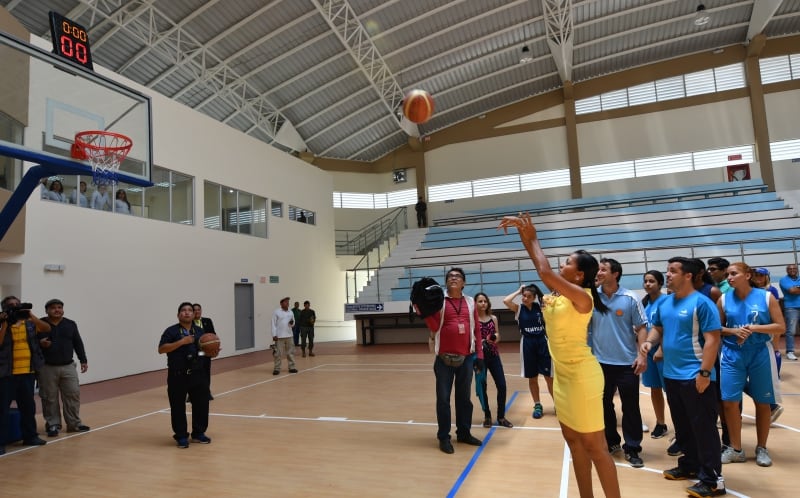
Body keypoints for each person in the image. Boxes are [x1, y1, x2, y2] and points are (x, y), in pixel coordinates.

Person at [499, 213, 620, 498]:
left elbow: (544, 272)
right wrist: (523, 234)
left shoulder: (583, 297)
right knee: (574, 443)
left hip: (582, 378)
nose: (561, 265)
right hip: (563, 378)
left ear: (579, 275)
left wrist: (533, 237)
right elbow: (541, 268)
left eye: (567, 262)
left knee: (596, 447)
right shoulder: (560, 293)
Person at [641, 257, 724, 498]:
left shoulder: (702, 303)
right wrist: (649, 342)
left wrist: (705, 373)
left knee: (704, 428)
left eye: (673, 271)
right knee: (684, 426)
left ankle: (713, 481)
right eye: (667, 270)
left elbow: (713, 340)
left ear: (688, 275)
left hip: (695, 375)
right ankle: (690, 465)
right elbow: (658, 328)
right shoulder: (666, 302)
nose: (668, 275)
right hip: (671, 375)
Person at [717, 262, 784, 468]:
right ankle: (736, 449)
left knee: (762, 402)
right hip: (731, 354)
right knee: (729, 402)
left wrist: (754, 328)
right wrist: (733, 331)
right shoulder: (724, 299)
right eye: (727, 275)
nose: (729, 278)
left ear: (747, 275)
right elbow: (716, 328)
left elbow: (780, 326)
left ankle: (761, 447)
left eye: (734, 273)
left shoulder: (766, 297)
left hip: (759, 353)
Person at [589, 258, 648, 468]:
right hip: (599, 363)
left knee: (630, 407)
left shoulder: (630, 298)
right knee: (604, 405)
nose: (599, 272)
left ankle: (632, 448)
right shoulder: (591, 297)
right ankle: (612, 441)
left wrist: (642, 356)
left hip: (626, 364)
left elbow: (642, 327)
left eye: (603, 269)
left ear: (615, 274)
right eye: (598, 269)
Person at [420, 267, 484, 454]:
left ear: (464, 282)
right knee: (443, 399)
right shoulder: (439, 301)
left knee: (464, 399)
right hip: (443, 360)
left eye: (457, 276)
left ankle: (464, 433)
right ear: (446, 282)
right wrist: (421, 309)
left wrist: (479, 355)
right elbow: (433, 326)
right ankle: (443, 437)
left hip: (467, 358)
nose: (453, 278)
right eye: (450, 276)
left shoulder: (470, 302)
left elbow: (477, 330)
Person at [0, 296, 51, 453]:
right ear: (5, 308)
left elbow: (46, 328)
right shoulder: (2, 323)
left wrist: (30, 315)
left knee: (28, 407)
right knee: (2, 410)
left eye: (17, 304)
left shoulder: (29, 323)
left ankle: (30, 437)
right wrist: (5, 323)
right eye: (11, 305)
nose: (16, 307)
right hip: (6, 375)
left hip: (27, 373)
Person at [158, 302, 211, 448]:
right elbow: (161, 349)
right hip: (177, 375)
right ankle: (181, 436)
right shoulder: (171, 331)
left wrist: (210, 352)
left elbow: (201, 352)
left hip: (198, 374)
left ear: (194, 315)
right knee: (177, 407)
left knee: (201, 405)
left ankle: (198, 433)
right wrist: (182, 342)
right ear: (178, 315)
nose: (187, 312)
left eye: (189, 310)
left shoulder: (200, 331)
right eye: (183, 310)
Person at [38, 299, 89, 437]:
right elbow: (31, 343)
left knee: (73, 394)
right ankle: (53, 424)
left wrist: (83, 360)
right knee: (49, 397)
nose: (57, 310)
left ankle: (74, 424)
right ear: (46, 310)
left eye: (59, 307)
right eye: (53, 308)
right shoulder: (39, 324)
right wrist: (40, 343)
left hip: (68, 366)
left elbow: (78, 342)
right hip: (46, 367)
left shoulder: (70, 324)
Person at [503, 284, 554, 420]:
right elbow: (506, 301)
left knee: (549, 377)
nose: (525, 298)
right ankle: (537, 405)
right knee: (532, 377)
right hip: (527, 344)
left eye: (528, 296)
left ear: (534, 297)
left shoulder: (540, 307)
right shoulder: (519, 308)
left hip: (542, 342)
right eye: (524, 296)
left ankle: (558, 404)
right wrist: (518, 291)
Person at [474, 292, 512, 428]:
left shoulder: (493, 318)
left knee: (502, 385)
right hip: (480, 358)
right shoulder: (472, 320)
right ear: (475, 304)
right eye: (480, 301)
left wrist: (494, 338)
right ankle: (487, 416)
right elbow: (471, 338)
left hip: (494, 355)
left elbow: (498, 335)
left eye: (485, 301)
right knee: (482, 387)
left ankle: (501, 417)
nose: (483, 303)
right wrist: (481, 342)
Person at [640, 270, 670, 440]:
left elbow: (668, 326)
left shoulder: (666, 301)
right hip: (648, 352)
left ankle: (681, 428)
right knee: (654, 388)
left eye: (651, 281)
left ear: (660, 283)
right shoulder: (644, 303)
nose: (647, 284)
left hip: (664, 353)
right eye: (645, 281)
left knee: (671, 391)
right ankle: (661, 423)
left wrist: (662, 349)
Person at [192, 303, 216, 400]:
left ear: (201, 311)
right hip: (194, 352)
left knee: (206, 372)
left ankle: (207, 392)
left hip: (205, 352)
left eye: (198, 309)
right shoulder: (189, 323)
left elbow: (213, 335)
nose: (197, 311)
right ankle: (191, 394)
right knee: (193, 373)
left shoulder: (207, 321)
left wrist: (213, 347)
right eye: (194, 310)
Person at [778, 263, 800, 361]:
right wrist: (795, 289)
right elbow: (792, 291)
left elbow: (795, 290)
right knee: (791, 331)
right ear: (787, 270)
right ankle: (790, 351)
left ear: (797, 269)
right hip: (791, 308)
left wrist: (796, 288)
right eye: (790, 269)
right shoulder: (784, 280)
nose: (792, 270)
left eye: (794, 268)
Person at [271, 297, 297, 375]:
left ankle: (292, 367)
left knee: (290, 352)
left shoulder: (290, 312)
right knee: (278, 353)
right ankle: (277, 368)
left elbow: (293, 322)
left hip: (289, 335)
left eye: (288, 302)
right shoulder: (276, 312)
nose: (287, 303)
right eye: (286, 302)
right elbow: (273, 324)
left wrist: (292, 323)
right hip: (279, 336)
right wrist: (274, 334)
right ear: (281, 303)